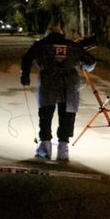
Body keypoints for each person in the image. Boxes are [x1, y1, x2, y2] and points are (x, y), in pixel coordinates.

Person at [20, 21, 96, 161]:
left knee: (46, 113)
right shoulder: (73, 45)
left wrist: (25, 76)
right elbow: (90, 62)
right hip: (69, 83)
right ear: (62, 33)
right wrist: (81, 65)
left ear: (48, 33)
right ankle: (63, 150)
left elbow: (27, 59)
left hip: (48, 81)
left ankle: (45, 147)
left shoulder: (40, 44)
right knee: (67, 115)